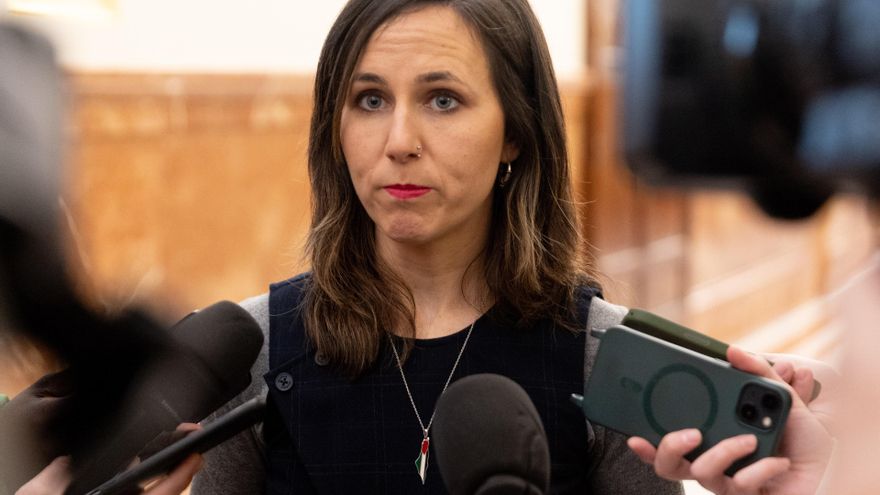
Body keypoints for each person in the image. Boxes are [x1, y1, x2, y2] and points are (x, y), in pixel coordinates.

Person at [192, 0, 833, 493]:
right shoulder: (257, 352)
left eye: (443, 99)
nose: (399, 141)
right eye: (370, 99)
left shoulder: (604, 360)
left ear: (515, 134)